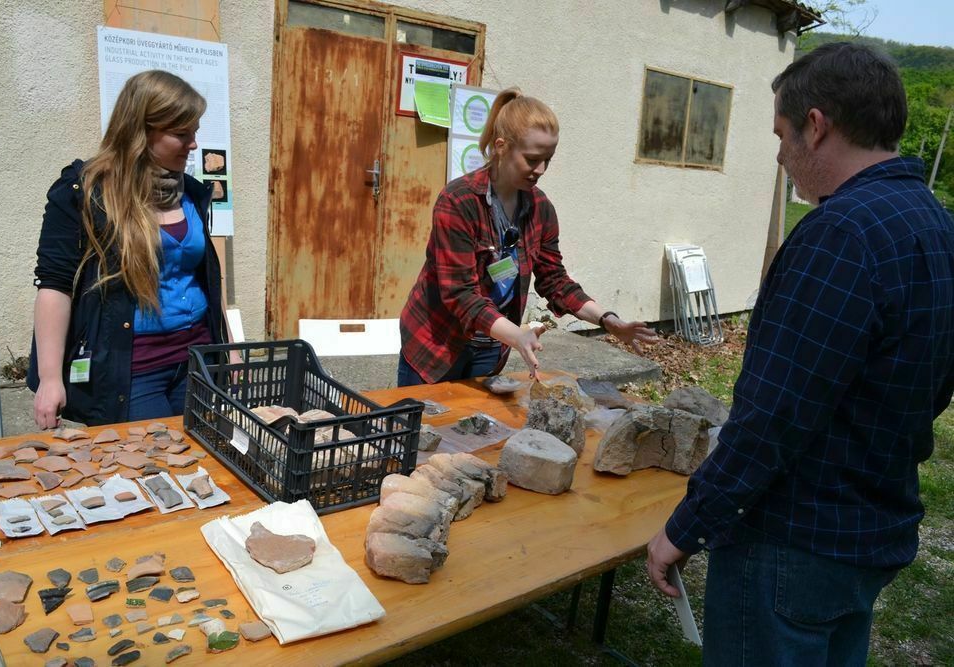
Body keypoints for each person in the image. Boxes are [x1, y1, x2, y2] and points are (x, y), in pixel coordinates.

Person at [645, 43, 954, 665]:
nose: (781, 157)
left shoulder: (840, 234)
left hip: (793, 540)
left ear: (816, 127)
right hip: (871, 528)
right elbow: (936, 383)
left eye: (781, 135)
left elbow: (771, 415)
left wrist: (684, 528)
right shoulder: (935, 222)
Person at [398, 88, 656, 385]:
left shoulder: (540, 208)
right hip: (435, 343)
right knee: (421, 427)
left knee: (471, 428)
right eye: (532, 159)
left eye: (548, 159)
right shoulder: (458, 202)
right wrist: (516, 334)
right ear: (501, 147)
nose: (541, 170)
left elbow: (555, 280)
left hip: (491, 346)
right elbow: (459, 294)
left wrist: (607, 320)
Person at [29, 70, 232, 428]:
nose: (194, 145)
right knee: (149, 468)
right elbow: (54, 286)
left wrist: (228, 350)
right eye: (182, 134)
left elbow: (206, 280)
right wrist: (49, 378)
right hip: (133, 368)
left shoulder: (192, 193)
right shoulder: (85, 193)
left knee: (203, 464)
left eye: (195, 133)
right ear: (142, 131)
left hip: (199, 361)